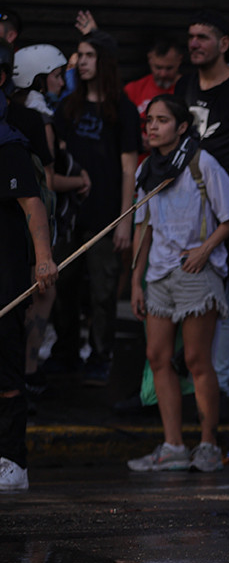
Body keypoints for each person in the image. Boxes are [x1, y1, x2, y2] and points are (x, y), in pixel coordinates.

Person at [127, 95, 229, 472]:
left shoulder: (201, 162)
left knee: (196, 359)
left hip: (197, 272)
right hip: (159, 274)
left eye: (162, 120)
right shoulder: (146, 170)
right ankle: (173, 446)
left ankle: (208, 444)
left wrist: (205, 250)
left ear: (181, 127)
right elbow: (143, 228)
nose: (152, 127)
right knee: (157, 356)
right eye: (149, 120)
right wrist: (136, 281)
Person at [173, 10, 229, 400]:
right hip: (183, 209)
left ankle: (221, 385)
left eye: (203, 37)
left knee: (224, 301)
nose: (194, 43)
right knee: (186, 295)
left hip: (223, 210)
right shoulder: (184, 85)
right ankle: (194, 379)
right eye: (191, 36)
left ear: (224, 44)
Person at [47, 30, 139, 386]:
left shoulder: (123, 109)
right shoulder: (68, 106)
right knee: (63, 286)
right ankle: (65, 352)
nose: (81, 62)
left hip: (106, 215)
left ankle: (101, 356)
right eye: (79, 55)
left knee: (102, 292)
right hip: (69, 215)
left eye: (88, 55)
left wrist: (125, 220)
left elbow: (129, 168)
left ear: (104, 61)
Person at [0, 49, 57, 490]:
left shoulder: (7, 140)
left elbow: (33, 204)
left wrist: (43, 258)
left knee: (4, 360)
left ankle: (11, 460)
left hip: (3, 270)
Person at [124, 37, 185, 152]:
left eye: (169, 68)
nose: (163, 74)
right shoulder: (133, 90)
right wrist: (136, 138)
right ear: (150, 59)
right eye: (158, 67)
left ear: (179, 60)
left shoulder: (188, 90)